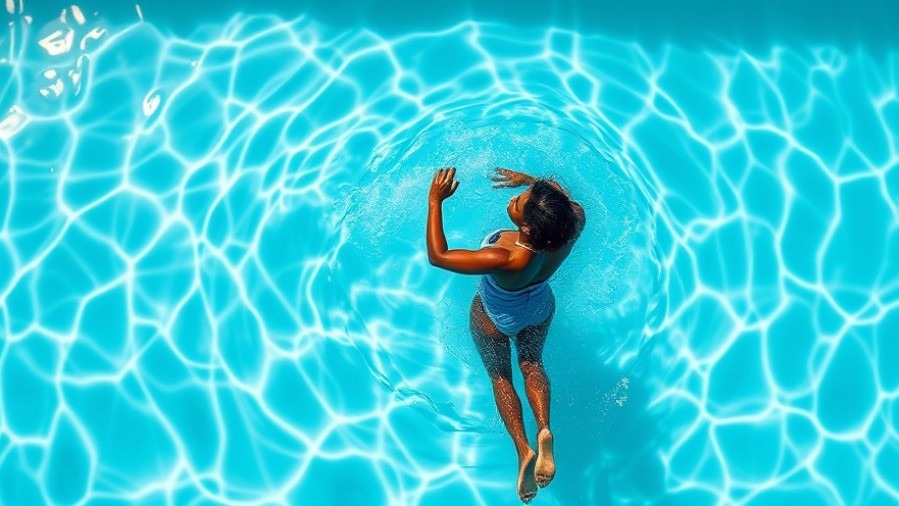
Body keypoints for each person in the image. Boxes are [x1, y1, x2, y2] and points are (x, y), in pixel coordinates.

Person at [426, 167, 585, 503]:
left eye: (520, 202)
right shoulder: (572, 225)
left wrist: (435, 201)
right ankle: (544, 427)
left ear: (527, 227)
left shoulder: (505, 257)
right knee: (532, 362)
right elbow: (560, 197)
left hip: (496, 316)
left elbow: (439, 256)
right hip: (539, 307)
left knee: (501, 376)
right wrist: (531, 183)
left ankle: (524, 448)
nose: (514, 199)